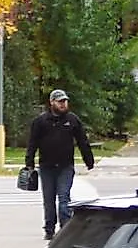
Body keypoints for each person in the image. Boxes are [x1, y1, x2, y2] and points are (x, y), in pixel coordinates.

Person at [25, 88, 96, 237]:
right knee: (49, 200)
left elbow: (82, 141)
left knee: (64, 197)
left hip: (65, 166)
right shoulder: (41, 121)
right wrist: (29, 162)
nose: (63, 104)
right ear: (52, 103)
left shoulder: (72, 120)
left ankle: (65, 230)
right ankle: (49, 229)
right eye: (60, 102)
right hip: (46, 166)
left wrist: (89, 160)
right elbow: (32, 143)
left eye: (65, 101)